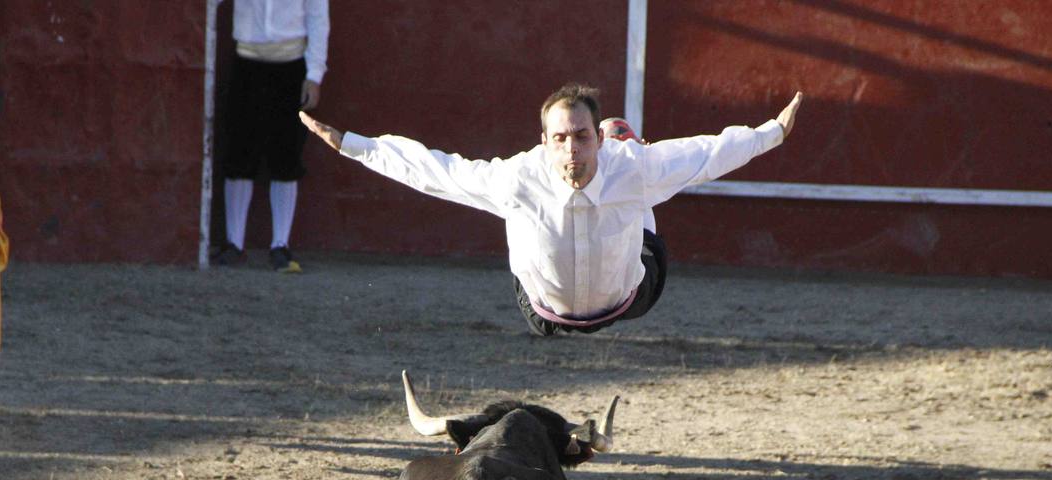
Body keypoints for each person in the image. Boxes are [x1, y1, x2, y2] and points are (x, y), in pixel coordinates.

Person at [300, 83, 801, 335]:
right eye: (560, 139)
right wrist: (354, 145)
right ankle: (623, 142)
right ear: (544, 142)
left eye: (583, 138)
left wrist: (773, 132)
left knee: (647, 186)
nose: (572, 150)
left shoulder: (634, 168)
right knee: (514, 207)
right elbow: (436, 170)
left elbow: (710, 153)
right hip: (545, 314)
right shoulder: (519, 177)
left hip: (631, 296)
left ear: (594, 142)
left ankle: (625, 148)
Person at [212, 0, 329, 273]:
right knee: (239, 151)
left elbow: (318, 19)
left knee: (286, 154)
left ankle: (280, 245)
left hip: (291, 67)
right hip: (247, 63)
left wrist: (313, 75)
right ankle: (234, 243)